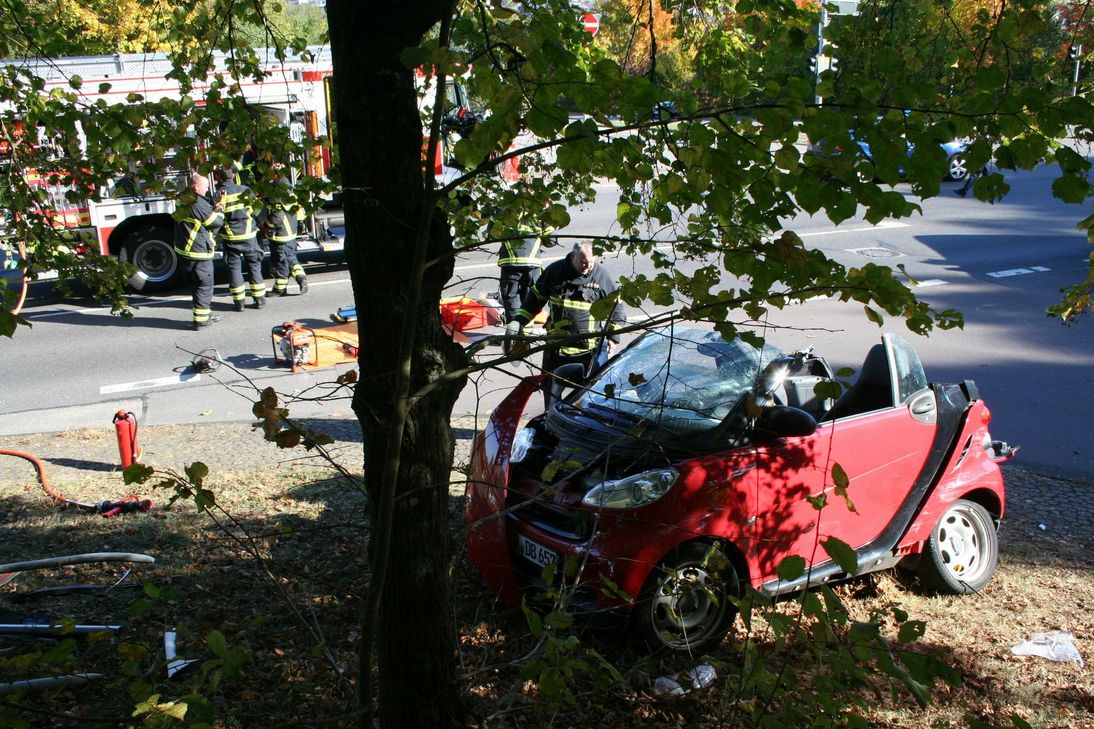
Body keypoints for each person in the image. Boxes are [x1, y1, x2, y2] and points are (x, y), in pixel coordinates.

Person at [506, 240, 626, 403]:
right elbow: (535, 300)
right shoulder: (554, 272)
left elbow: (617, 310)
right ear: (572, 256)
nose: (587, 267)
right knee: (551, 397)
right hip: (556, 349)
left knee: (588, 399)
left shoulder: (602, 277)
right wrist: (518, 322)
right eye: (583, 262)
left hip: (589, 353)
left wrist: (613, 339)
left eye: (591, 262)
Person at [175, 171, 223, 331]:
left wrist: (211, 207)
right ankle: (201, 320)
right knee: (204, 285)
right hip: (199, 253)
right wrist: (220, 209)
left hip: (185, 251)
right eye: (206, 186)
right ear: (195, 187)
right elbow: (214, 223)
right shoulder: (196, 202)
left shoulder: (183, 197)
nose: (208, 188)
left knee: (197, 285)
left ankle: (204, 314)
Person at [215, 166, 267, 311]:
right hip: (249, 235)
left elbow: (217, 217)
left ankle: (240, 303)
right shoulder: (245, 190)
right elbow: (256, 209)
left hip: (231, 238)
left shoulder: (218, 194)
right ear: (233, 175)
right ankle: (259, 300)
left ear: (219, 177)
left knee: (234, 269)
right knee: (254, 266)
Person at [260, 165, 308, 296]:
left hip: (280, 233)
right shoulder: (289, 186)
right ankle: (301, 277)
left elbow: (278, 216)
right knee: (291, 257)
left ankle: (279, 289)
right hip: (291, 231)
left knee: (279, 262)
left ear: (276, 175)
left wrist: (268, 226)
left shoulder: (277, 191)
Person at [493, 217, 550, 324]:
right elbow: (551, 240)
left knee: (511, 299)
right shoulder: (540, 211)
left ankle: (515, 331)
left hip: (510, 263)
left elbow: (494, 233)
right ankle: (525, 331)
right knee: (530, 300)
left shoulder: (502, 209)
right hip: (532, 264)